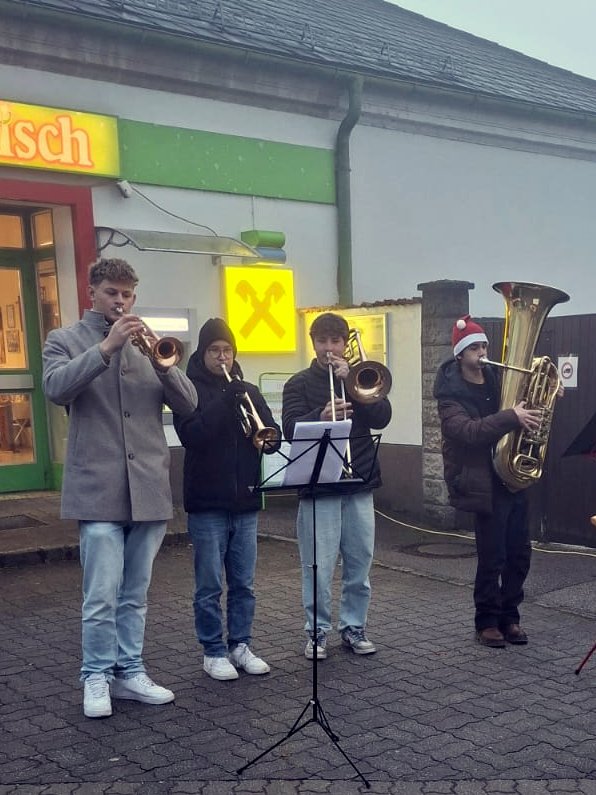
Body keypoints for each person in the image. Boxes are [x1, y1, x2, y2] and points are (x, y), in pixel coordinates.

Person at [42, 257, 197, 718]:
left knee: (135, 593)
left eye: (127, 294)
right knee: (101, 595)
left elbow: (189, 404)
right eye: (112, 292)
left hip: (148, 486)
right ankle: (95, 676)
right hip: (98, 488)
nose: (121, 301)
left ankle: (129, 671)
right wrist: (106, 348)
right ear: (93, 291)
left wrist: (163, 365)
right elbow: (55, 388)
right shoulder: (64, 340)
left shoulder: (149, 345)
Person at [173, 318, 281, 681]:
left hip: (245, 501)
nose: (222, 357)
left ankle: (240, 645)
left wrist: (269, 435)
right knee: (209, 586)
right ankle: (213, 651)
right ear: (203, 353)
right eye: (215, 350)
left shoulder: (247, 389)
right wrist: (224, 402)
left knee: (243, 584)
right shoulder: (187, 389)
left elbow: (270, 434)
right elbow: (193, 435)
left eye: (228, 351)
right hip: (207, 503)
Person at [281, 312, 392, 660]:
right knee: (318, 566)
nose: (329, 348)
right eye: (322, 341)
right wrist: (320, 416)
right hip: (319, 485)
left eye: (335, 341)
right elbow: (289, 428)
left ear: (345, 344)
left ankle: (354, 627)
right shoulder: (298, 383)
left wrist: (354, 386)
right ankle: (316, 632)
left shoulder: (358, 376)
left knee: (359, 564)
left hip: (358, 481)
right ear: (313, 343)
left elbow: (382, 417)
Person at [433, 314, 546, 648]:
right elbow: (468, 432)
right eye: (475, 347)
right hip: (481, 481)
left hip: (511, 475)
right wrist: (511, 416)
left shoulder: (497, 380)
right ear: (460, 354)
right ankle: (486, 622)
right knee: (492, 556)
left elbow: (521, 408)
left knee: (519, 554)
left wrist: (543, 399)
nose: (482, 352)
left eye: (484, 345)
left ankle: (510, 617)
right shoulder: (449, 395)